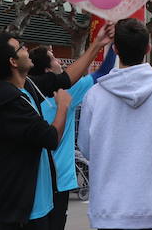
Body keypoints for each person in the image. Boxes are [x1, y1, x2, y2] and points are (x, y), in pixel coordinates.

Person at [79, 18, 152, 230]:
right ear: (148, 48)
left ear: (115, 49)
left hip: (109, 210)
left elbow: (86, 146)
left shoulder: (94, 95)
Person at [0, 32, 70, 230]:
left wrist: (98, 44)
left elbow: (64, 79)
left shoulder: (26, 86)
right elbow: (51, 138)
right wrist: (63, 107)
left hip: (38, 205)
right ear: (13, 61)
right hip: (24, 211)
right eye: (21, 47)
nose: (27, 49)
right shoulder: (10, 102)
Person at [26, 29, 114, 230]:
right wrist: (114, 48)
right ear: (48, 70)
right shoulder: (65, 92)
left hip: (34, 176)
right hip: (59, 176)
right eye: (53, 58)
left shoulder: (28, 94)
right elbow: (103, 72)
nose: (59, 61)